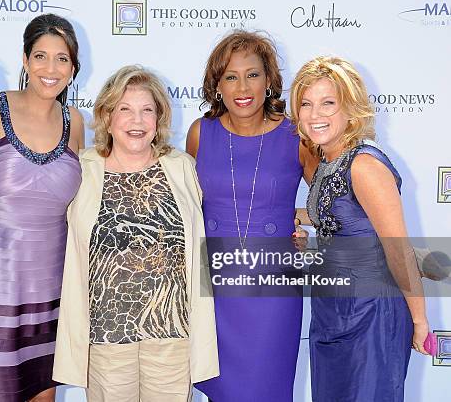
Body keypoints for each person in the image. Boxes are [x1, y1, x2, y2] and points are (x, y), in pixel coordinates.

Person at [52, 65, 219, 402]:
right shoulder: (81, 169)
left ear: (159, 118)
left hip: (173, 337)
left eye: (147, 110)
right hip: (105, 340)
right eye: (124, 110)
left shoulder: (181, 166)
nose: (137, 121)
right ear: (107, 117)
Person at [185, 30, 317, 401]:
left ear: (270, 80)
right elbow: (187, 208)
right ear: (217, 85)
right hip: (213, 289)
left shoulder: (297, 136)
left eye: (253, 74)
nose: (243, 86)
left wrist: (298, 218)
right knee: (221, 390)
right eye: (231, 76)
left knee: (266, 388)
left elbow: (333, 203)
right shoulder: (200, 133)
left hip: (272, 293)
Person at [289, 56, 429, 401]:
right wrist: (295, 221)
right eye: (305, 104)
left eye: (328, 103)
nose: (314, 114)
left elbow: (398, 250)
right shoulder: (328, 159)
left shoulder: (364, 165)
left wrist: (420, 321)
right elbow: (342, 217)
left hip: (371, 316)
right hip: (331, 314)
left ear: (350, 108)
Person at [0, 14, 84, 402]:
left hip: (52, 294)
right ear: (24, 59)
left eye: (62, 59)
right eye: (41, 56)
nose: (50, 69)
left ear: (73, 67)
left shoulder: (77, 122)